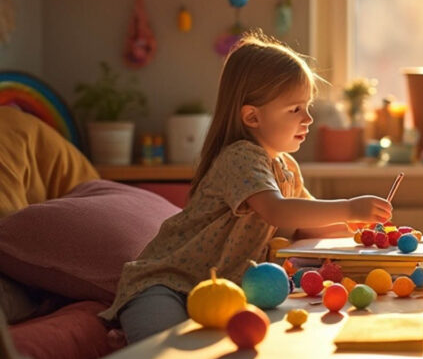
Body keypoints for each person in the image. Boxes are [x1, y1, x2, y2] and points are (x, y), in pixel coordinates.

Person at [100, 31, 392, 343]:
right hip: (166, 285)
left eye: (307, 106)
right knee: (163, 358)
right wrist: (349, 207)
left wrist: (361, 229)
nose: (308, 118)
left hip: (218, 294)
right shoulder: (240, 157)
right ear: (252, 116)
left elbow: (303, 227)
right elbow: (277, 210)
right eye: (295, 109)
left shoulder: (286, 168)